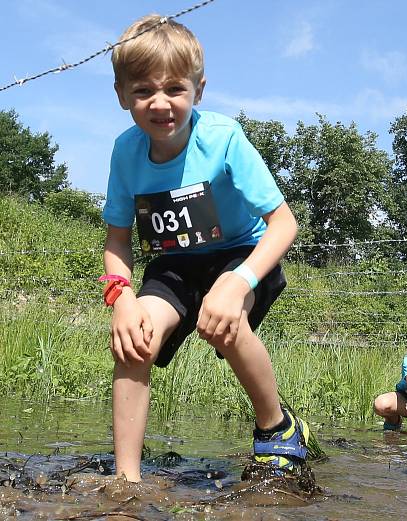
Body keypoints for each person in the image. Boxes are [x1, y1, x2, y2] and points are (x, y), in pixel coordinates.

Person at [100, 14, 310, 482]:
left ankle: (277, 426)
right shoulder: (124, 152)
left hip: (240, 254)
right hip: (173, 264)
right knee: (135, 341)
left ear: (199, 88)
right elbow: (117, 240)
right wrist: (121, 297)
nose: (160, 103)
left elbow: (283, 223)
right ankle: (127, 480)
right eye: (143, 91)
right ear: (121, 95)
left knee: (224, 323)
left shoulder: (223, 137)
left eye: (175, 88)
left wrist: (238, 282)